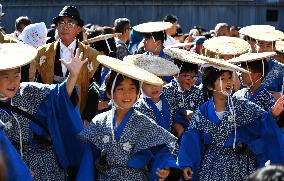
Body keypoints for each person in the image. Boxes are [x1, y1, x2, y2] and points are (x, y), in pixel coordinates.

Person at [178, 53, 284, 181]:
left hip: (241, 162)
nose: (228, 82)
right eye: (222, 79)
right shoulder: (204, 111)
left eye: (230, 77)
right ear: (211, 86)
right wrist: (186, 163)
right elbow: (191, 137)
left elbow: (260, 123)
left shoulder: (242, 104)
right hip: (212, 163)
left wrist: (272, 114)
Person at [76, 55, 180, 181]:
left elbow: (161, 151)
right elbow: (88, 160)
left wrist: (165, 167)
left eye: (132, 88)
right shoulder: (99, 122)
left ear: (138, 92)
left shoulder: (144, 122)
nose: (127, 93)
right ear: (109, 93)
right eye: (120, 88)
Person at [0, 43, 87, 180]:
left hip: (47, 165)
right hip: (12, 170)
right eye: (6, 77)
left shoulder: (28, 91)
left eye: (16, 76)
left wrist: (73, 75)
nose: (13, 82)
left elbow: (60, 96)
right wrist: (18, 171)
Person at [32, 6, 102, 115]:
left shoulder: (92, 55)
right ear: (56, 27)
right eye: (61, 23)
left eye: (70, 23)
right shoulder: (42, 53)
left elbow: (94, 88)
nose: (65, 27)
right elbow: (37, 84)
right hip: (49, 114)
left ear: (78, 29)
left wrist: (88, 116)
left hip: (78, 114)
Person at [124, 54, 179, 132]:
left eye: (157, 82)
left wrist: (179, 121)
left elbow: (176, 114)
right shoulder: (139, 107)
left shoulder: (169, 96)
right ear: (140, 84)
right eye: (148, 83)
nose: (154, 87)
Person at [163, 48, 205, 139]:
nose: (192, 82)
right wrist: (183, 112)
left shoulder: (197, 92)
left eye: (194, 78)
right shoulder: (167, 91)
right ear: (176, 74)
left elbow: (201, 115)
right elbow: (168, 114)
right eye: (188, 78)